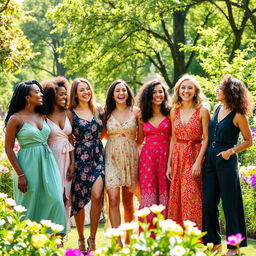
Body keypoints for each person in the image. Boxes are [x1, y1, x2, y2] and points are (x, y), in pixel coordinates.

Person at [4, 80, 67, 235]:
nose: (41, 94)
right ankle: (26, 245)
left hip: (47, 163)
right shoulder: (15, 119)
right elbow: (8, 148)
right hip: (27, 165)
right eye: (37, 92)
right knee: (29, 207)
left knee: (57, 201)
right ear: (27, 97)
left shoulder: (43, 114)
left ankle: (56, 245)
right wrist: (20, 174)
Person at [202, 75, 253, 256]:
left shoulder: (238, 115)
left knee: (230, 204)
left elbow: (249, 141)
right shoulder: (217, 108)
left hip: (226, 160)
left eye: (220, 88)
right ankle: (214, 243)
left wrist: (230, 151)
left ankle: (234, 246)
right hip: (210, 160)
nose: (217, 90)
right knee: (208, 202)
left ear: (230, 92)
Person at [166, 74, 210, 232]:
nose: (186, 91)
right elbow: (173, 138)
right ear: (178, 90)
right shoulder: (174, 111)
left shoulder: (202, 110)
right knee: (177, 198)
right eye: (183, 88)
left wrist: (198, 161)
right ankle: (177, 239)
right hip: (178, 156)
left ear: (195, 91)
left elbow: (206, 138)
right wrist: (169, 165)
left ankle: (194, 239)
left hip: (193, 156)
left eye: (190, 88)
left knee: (191, 198)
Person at [69, 78, 104, 253]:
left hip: (97, 155)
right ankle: (81, 238)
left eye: (88, 89)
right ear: (75, 93)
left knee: (97, 195)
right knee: (79, 199)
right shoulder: (71, 113)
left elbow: (103, 132)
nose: (86, 92)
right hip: (80, 157)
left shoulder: (98, 109)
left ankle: (93, 238)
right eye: (82, 90)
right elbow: (69, 137)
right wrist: (72, 162)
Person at [104, 79, 141, 246]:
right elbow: (102, 134)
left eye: (123, 90)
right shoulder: (106, 113)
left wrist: (128, 144)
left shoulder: (136, 112)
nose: (121, 93)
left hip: (131, 157)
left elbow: (141, 138)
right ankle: (117, 241)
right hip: (111, 157)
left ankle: (129, 238)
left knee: (128, 202)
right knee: (113, 199)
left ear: (128, 93)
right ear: (112, 94)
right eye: (117, 91)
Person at [42, 76, 75, 234]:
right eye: (60, 94)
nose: (64, 97)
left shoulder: (68, 114)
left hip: (67, 159)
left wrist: (73, 164)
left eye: (65, 94)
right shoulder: (44, 116)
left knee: (64, 197)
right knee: (54, 197)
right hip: (51, 158)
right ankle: (50, 232)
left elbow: (71, 139)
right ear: (51, 96)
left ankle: (60, 235)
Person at [137, 79, 171, 226]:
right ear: (148, 95)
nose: (158, 95)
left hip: (166, 156)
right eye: (154, 92)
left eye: (160, 91)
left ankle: (166, 234)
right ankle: (148, 236)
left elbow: (175, 137)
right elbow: (139, 140)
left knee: (166, 194)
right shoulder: (141, 115)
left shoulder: (171, 112)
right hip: (147, 159)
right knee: (149, 195)